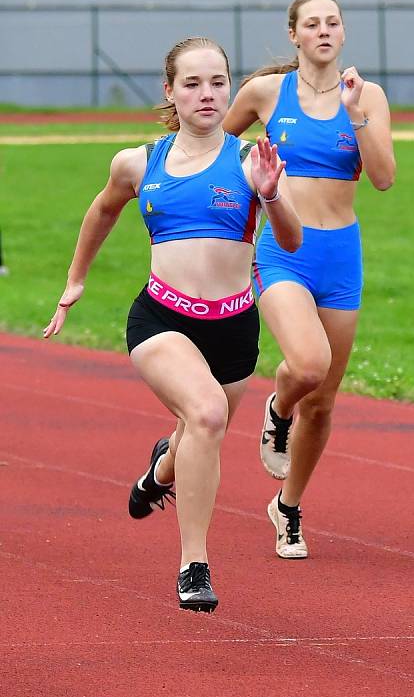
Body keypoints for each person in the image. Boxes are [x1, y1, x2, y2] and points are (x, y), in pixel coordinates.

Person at [43, 36, 302, 611]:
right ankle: (194, 565)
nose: (207, 94)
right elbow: (102, 209)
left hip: (233, 328)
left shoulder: (252, 160)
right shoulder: (138, 162)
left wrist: (273, 196)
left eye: (217, 82)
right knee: (206, 414)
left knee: (196, 433)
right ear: (170, 91)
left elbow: (290, 239)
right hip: (161, 318)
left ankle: (159, 471)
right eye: (192, 83)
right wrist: (76, 279)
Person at [223, 0, 395, 559]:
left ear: (343, 34)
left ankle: (288, 508)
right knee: (307, 364)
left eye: (333, 23)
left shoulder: (366, 96)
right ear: (294, 35)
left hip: (342, 253)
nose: (324, 31)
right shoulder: (267, 93)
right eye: (312, 24)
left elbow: (385, 178)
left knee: (323, 402)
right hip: (282, 248)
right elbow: (215, 147)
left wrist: (357, 115)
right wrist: (243, 175)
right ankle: (276, 409)